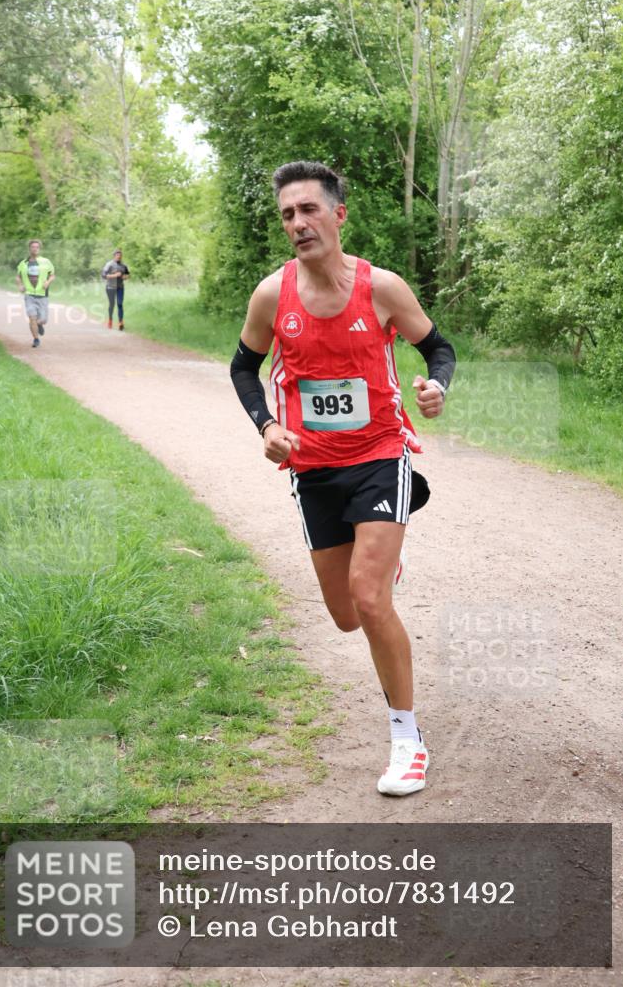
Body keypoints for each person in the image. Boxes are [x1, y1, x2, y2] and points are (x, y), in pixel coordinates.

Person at [230, 161, 456, 797]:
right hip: (313, 469)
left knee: (368, 596)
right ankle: (378, 562)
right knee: (345, 616)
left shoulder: (381, 288)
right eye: (287, 215)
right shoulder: (272, 296)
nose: (298, 224)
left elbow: (439, 348)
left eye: (308, 210)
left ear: (338, 215)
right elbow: (243, 368)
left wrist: (436, 385)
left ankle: (407, 738)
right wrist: (266, 426)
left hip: (382, 453)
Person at [16, 239, 55, 348]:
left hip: (43, 294)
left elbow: (52, 275)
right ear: (29, 248)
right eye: (33, 247)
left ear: (39, 249)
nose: (35, 249)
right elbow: (18, 277)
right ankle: (36, 339)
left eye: (37, 247)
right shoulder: (23, 263)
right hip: (29, 295)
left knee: (43, 319)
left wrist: (48, 282)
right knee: (32, 317)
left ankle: (39, 324)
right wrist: (20, 285)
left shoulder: (46, 262)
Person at [101, 249, 130, 329]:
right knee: (112, 304)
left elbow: (127, 275)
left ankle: (120, 322)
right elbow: (103, 275)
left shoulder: (123, 266)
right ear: (114, 256)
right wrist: (115, 275)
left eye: (120, 256)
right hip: (110, 287)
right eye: (117, 255)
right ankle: (110, 319)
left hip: (120, 287)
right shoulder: (109, 264)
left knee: (120, 304)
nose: (119, 257)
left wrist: (125, 277)